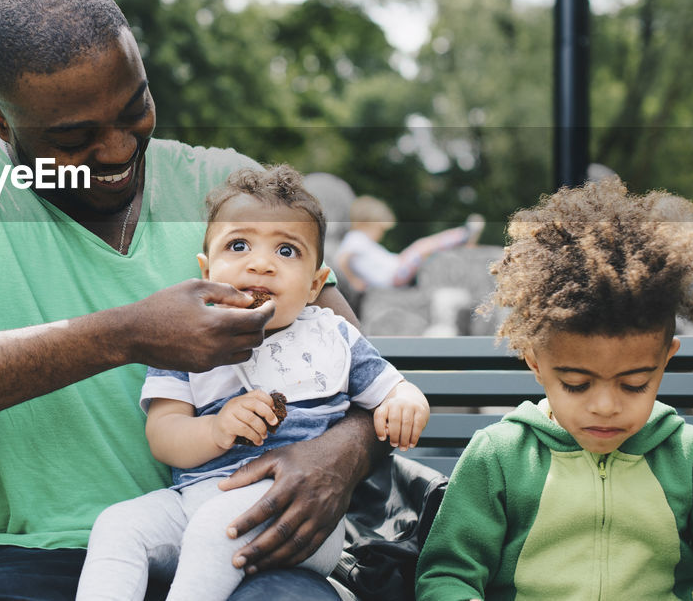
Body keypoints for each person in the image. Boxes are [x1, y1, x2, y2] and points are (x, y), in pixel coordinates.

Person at [0, 0, 390, 601]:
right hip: (28, 561)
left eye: (134, 108)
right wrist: (124, 336)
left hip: (243, 548)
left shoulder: (229, 190)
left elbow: (354, 362)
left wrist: (340, 456)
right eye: (74, 136)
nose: (118, 150)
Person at [76, 165, 430, 601]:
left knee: (217, 527)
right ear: (205, 269)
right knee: (118, 525)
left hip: (298, 518)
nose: (261, 264)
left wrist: (406, 401)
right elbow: (164, 436)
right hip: (194, 498)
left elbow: (392, 388)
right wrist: (214, 429)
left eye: (287, 251)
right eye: (239, 245)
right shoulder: (184, 340)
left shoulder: (332, 336)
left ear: (316, 283)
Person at [415, 177, 693, 600]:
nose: (604, 406)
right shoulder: (499, 456)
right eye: (577, 385)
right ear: (534, 361)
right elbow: (448, 575)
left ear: (664, 360)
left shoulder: (691, 457)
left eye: (635, 385)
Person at [333, 195, 483, 290]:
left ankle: (462, 237)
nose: (380, 235)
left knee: (423, 247)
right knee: (422, 247)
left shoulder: (359, 240)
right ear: (367, 223)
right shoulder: (356, 238)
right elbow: (341, 259)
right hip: (394, 274)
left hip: (396, 268)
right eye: (379, 229)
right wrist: (354, 281)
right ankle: (463, 235)